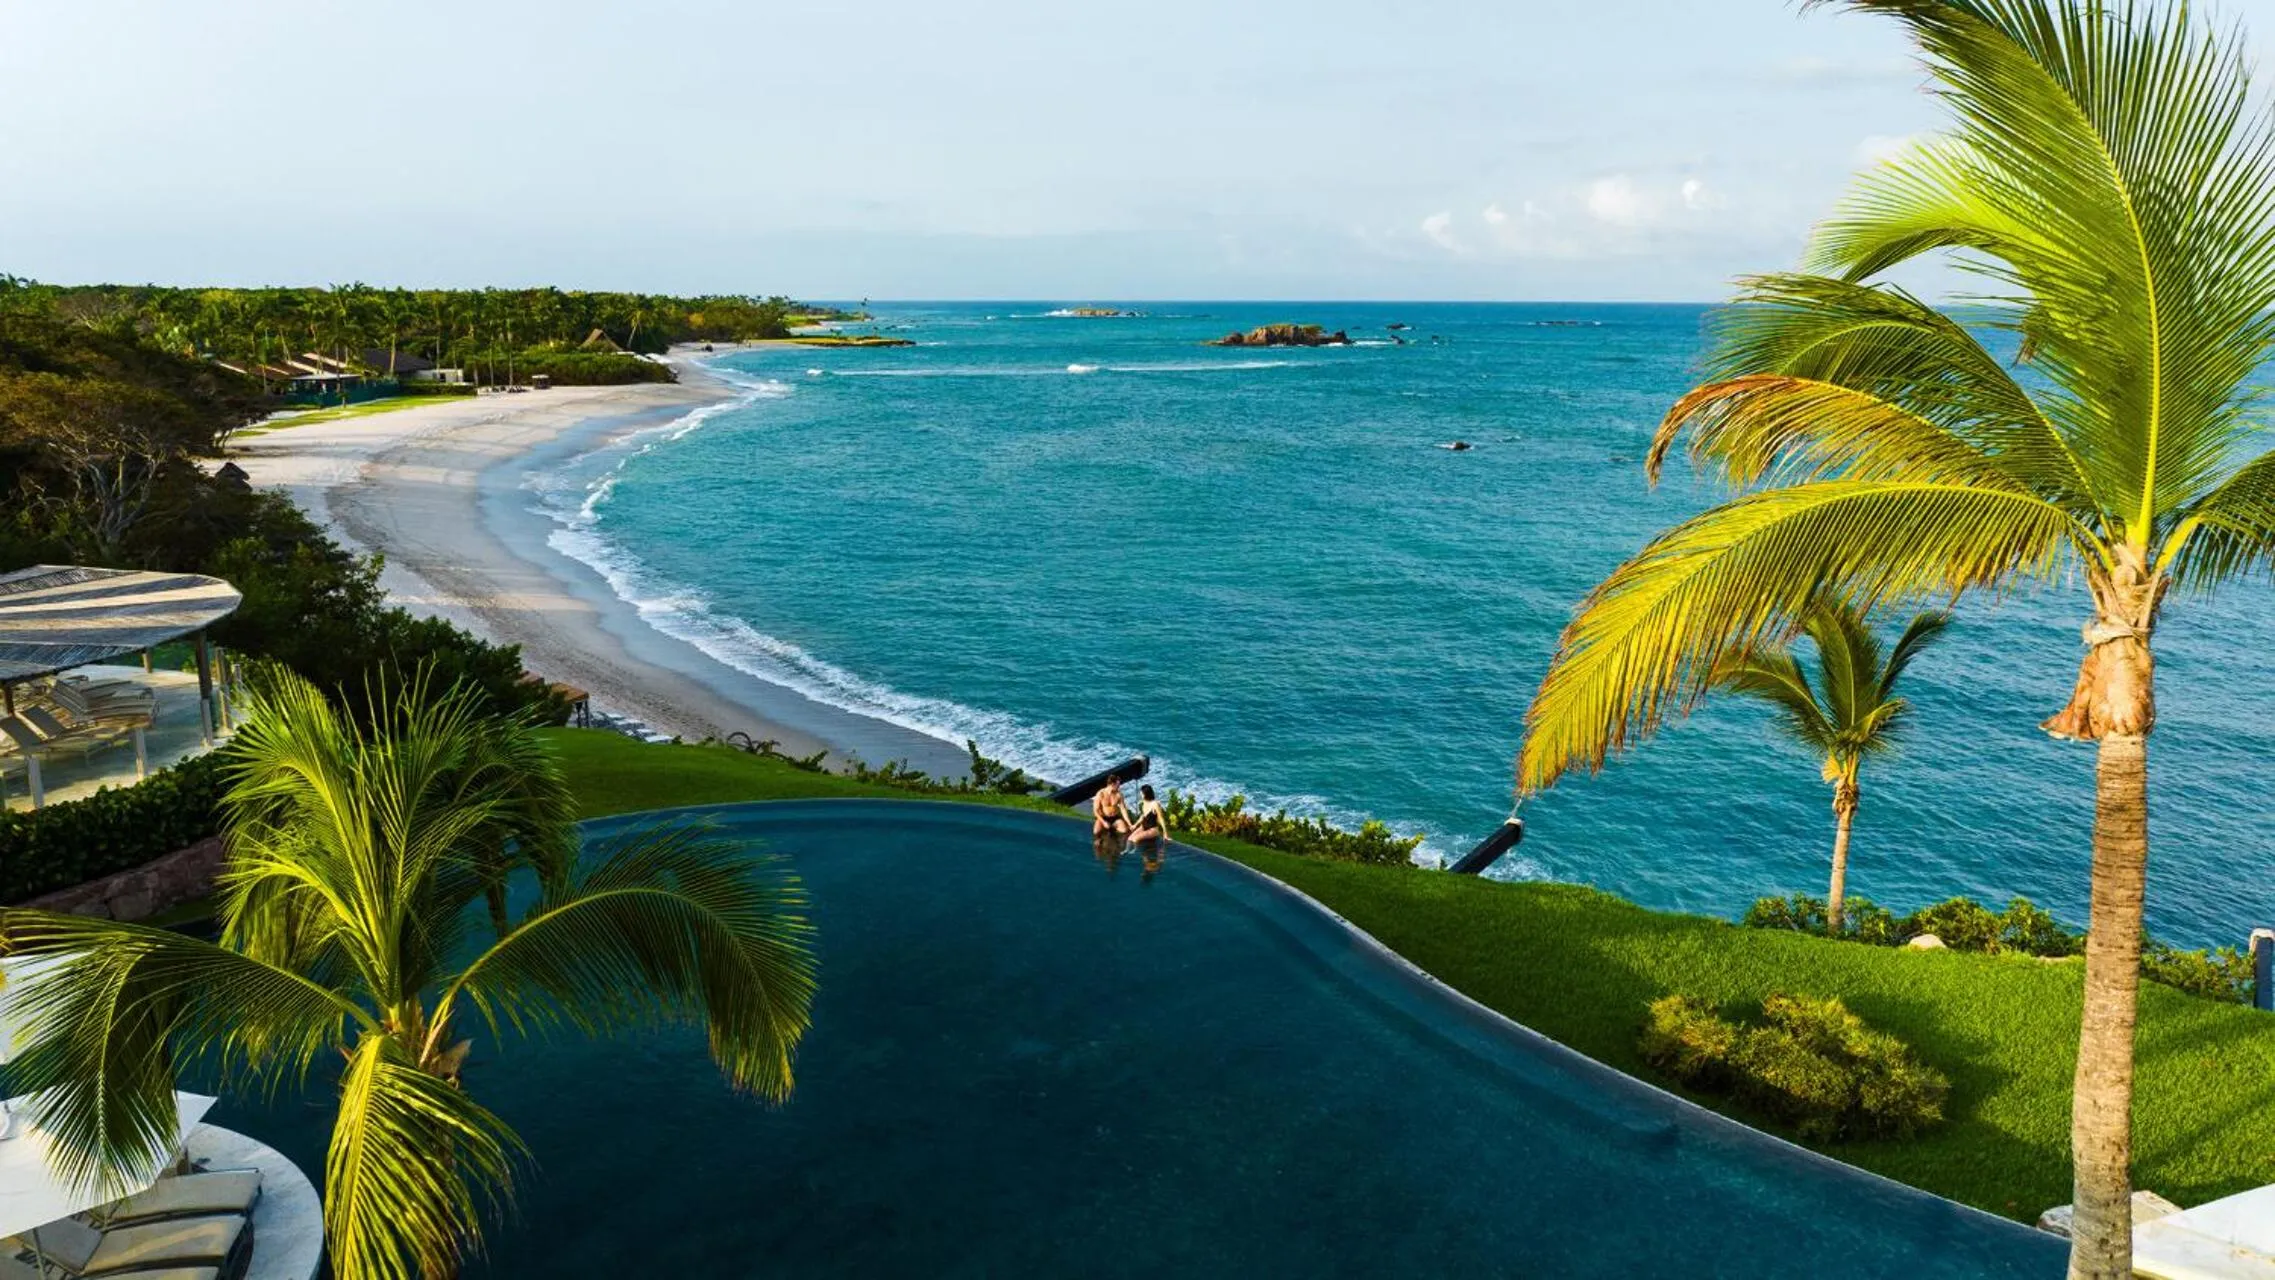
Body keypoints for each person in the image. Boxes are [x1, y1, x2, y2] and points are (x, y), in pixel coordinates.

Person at [1128, 784, 1167, 857]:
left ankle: (1137, 855)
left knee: (1135, 839)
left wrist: (1165, 833)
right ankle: (1129, 853)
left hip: (1153, 830)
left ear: (1146, 794)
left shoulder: (1155, 804)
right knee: (1130, 838)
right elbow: (1142, 816)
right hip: (1144, 826)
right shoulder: (1144, 803)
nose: (1141, 795)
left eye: (1142, 794)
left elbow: (1161, 818)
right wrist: (1135, 825)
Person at [1092, 773, 1131, 839]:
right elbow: (1095, 811)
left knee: (1124, 830)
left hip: (1115, 818)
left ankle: (1112, 828)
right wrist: (1103, 822)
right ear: (1112, 784)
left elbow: (1123, 810)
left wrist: (1129, 823)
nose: (1119, 786)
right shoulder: (1101, 793)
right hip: (1103, 818)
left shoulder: (1119, 795)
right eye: (1118, 785)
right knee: (1096, 832)